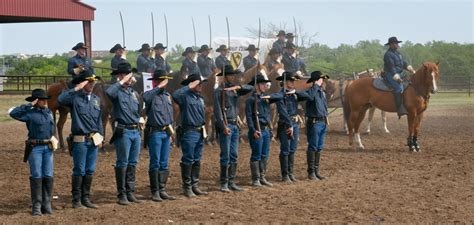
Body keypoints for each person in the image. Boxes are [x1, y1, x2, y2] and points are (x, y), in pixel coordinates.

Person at [58, 70, 103, 209]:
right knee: (79, 170)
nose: (92, 83)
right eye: (88, 81)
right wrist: (76, 88)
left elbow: (99, 120)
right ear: (82, 83)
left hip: (93, 140)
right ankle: (76, 200)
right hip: (80, 141)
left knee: (90, 170)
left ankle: (86, 198)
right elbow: (61, 99)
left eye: (93, 81)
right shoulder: (74, 98)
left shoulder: (96, 99)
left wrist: (100, 136)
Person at [10, 89, 55, 216]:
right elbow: (13, 113)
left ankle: (47, 204)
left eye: (45, 99)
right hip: (35, 147)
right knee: (36, 175)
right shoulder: (29, 113)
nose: (45, 101)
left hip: (48, 147)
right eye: (41, 99)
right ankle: (37, 205)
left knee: (48, 175)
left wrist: (54, 140)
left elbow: (52, 128)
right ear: (36, 101)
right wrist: (29, 105)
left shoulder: (49, 112)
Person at [106, 62, 142, 205]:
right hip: (124, 131)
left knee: (133, 162)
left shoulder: (133, 93)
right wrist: (121, 82)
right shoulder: (117, 92)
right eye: (126, 75)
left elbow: (139, 108)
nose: (129, 77)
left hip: (135, 130)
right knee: (123, 162)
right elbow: (109, 93)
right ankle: (122, 194)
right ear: (120, 76)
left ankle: (130, 192)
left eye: (130, 75)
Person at [214, 65, 253, 192]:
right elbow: (218, 111)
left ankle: (231, 181)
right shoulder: (219, 91)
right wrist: (223, 126)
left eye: (233, 75)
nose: (232, 77)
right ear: (225, 76)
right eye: (230, 75)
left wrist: (239, 87)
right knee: (225, 155)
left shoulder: (235, 89)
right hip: (226, 125)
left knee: (234, 155)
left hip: (235, 125)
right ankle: (224, 183)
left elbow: (250, 87)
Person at [172, 74, 208, 198]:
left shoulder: (200, 99)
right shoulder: (184, 96)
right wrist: (188, 86)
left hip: (199, 131)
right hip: (189, 131)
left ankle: (194, 185)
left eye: (201, 84)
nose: (201, 86)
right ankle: (187, 187)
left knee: (197, 159)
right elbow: (175, 95)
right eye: (198, 83)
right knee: (188, 159)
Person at [143, 70, 176, 202]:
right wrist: (159, 87)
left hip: (166, 132)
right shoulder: (150, 95)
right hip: (155, 132)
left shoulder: (167, 96)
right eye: (162, 80)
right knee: (155, 162)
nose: (165, 83)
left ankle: (162, 189)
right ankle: (155, 191)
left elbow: (170, 114)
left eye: (165, 80)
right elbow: (145, 98)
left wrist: (172, 130)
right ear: (156, 81)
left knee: (164, 162)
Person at [245, 74, 282, 187]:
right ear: (256, 85)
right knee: (256, 154)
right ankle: (255, 179)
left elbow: (279, 96)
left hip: (266, 130)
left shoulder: (266, 98)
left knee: (265, 154)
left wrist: (267, 97)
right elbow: (249, 117)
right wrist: (253, 130)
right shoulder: (250, 100)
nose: (265, 85)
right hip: (257, 130)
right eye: (262, 83)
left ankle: (262, 177)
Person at [275, 72, 309, 183]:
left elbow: (307, 96)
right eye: (291, 80)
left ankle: (290, 173)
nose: (293, 82)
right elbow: (282, 111)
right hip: (286, 124)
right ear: (285, 81)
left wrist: (296, 91)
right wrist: (289, 125)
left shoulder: (294, 94)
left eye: (294, 81)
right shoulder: (280, 94)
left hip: (294, 123)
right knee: (285, 149)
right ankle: (285, 175)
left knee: (292, 149)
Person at [383, 36, 417, 118]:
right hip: (391, 74)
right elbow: (391, 67)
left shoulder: (398, 53)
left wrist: (410, 69)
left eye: (397, 43)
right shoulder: (388, 55)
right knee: (398, 88)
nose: (397, 45)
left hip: (400, 73)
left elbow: (404, 63)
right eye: (395, 43)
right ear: (390, 45)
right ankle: (399, 108)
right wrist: (396, 77)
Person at [305, 71, 329, 181]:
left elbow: (324, 107)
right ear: (316, 81)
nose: (323, 81)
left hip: (322, 122)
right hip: (314, 122)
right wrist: (315, 85)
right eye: (321, 79)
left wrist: (326, 118)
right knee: (313, 147)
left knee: (319, 147)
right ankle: (311, 172)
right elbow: (309, 97)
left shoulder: (321, 92)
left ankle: (316, 171)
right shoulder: (311, 91)